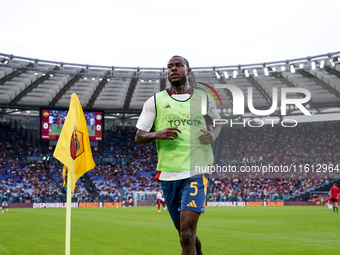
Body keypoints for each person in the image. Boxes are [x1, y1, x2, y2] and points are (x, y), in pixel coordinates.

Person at [135, 55, 221, 255]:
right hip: (169, 173)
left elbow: (219, 122)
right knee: (183, 232)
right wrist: (158, 133)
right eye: (170, 66)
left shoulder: (203, 98)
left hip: (197, 169)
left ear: (188, 71)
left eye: (178, 65)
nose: (173, 69)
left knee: (186, 234)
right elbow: (139, 136)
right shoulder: (155, 101)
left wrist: (213, 134)